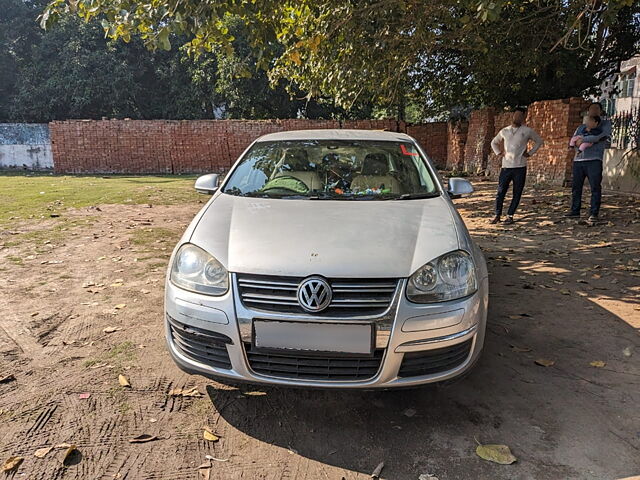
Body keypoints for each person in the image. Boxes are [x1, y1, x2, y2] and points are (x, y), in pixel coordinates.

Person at [489, 107, 544, 224]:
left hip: (520, 166)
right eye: (516, 115)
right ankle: (497, 214)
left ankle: (510, 215)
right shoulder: (505, 131)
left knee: (517, 192)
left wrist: (529, 153)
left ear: (523, 118)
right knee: (500, 192)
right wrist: (499, 153)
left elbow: (539, 141)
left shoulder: (527, 131)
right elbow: (494, 142)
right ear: (512, 116)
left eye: (520, 116)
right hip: (506, 167)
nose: (517, 117)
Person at [566, 102, 611, 222]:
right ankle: (575, 210)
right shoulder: (581, 127)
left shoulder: (605, 124)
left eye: (596, 109)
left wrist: (584, 139)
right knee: (576, 186)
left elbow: (600, 137)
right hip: (579, 160)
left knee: (595, 187)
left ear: (601, 111)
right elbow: (574, 140)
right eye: (591, 109)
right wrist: (579, 142)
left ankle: (594, 213)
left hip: (594, 160)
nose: (593, 111)